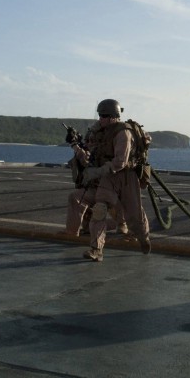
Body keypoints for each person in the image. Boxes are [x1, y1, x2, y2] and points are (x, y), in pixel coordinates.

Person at [71, 98, 150, 261]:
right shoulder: (102, 131)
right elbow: (91, 148)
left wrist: (96, 172)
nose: (100, 118)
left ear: (113, 116)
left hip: (126, 176)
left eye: (104, 115)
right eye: (100, 115)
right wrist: (75, 144)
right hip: (109, 177)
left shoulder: (123, 133)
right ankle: (96, 249)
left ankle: (143, 238)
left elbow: (120, 162)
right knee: (99, 210)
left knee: (134, 214)